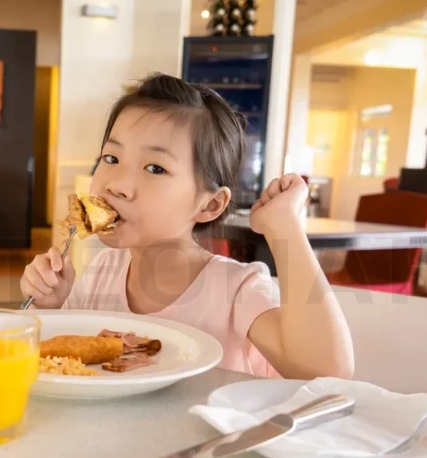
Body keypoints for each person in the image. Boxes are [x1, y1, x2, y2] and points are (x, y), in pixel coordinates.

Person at [20, 73, 354, 380]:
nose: (117, 184)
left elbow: (328, 370)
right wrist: (52, 308)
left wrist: (284, 228)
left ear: (209, 204)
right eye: (111, 159)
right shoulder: (98, 275)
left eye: (155, 168)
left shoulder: (235, 289)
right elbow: (62, 369)